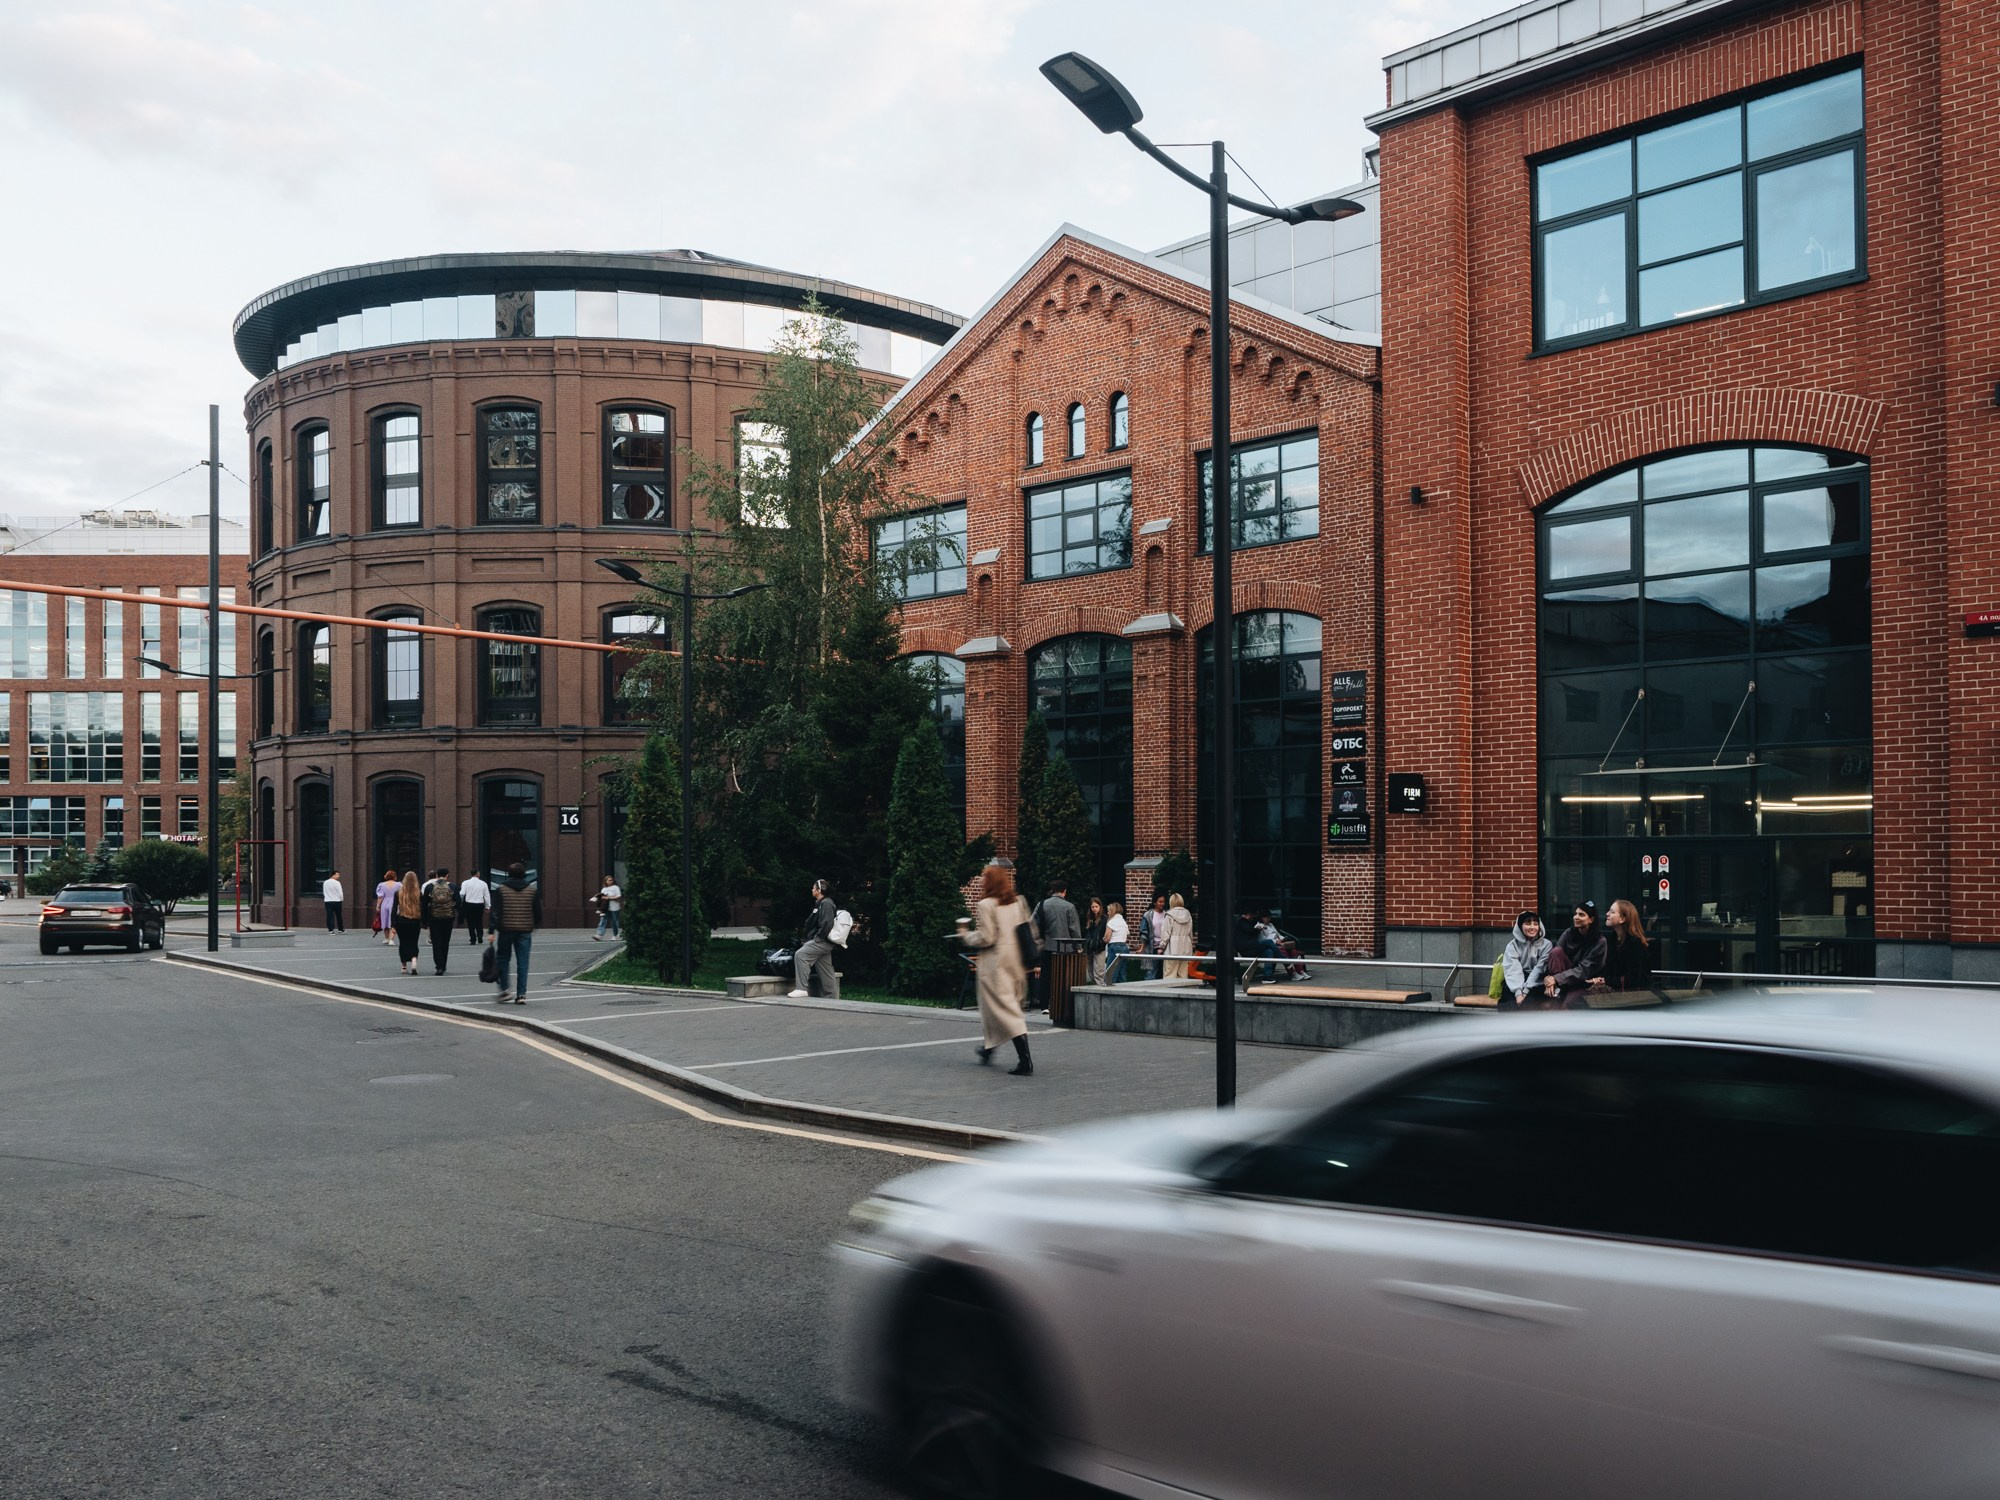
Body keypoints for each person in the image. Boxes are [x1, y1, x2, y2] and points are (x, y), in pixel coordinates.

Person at [959, 862, 1033, 1076]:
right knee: (998, 1009)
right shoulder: (1018, 901)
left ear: (990, 882)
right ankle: (988, 1049)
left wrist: (965, 934)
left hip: (996, 966)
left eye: (984, 877)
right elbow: (1027, 929)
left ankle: (1025, 1061)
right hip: (1015, 962)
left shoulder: (986, 905)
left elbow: (987, 937)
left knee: (1006, 1011)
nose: (982, 880)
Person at [490, 862, 540, 1004]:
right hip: (525, 930)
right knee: (523, 962)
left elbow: (495, 912)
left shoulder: (501, 889)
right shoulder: (531, 890)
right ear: (524, 874)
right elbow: (537, 912)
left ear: (509, 874)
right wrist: (534, 926)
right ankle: (521, 995)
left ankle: (505, 990)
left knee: (503, 959)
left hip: (506, 930)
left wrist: (491, 930)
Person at [1586, 899, 1654, 1001]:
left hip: (1637, 995)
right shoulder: (1612, 939)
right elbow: (1609, 969)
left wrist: (1605, 980)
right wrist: (1601, 979)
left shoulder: (1635, 943)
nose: (1607, 914)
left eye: (1612, 912)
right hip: (1618, 990)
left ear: (1622, 919)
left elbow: (1633, 978)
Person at [1544, 901, 1608, 1005]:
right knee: (1556, 951)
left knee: (1568, 1005)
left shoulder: (1600, 942)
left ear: (1591, 920)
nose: (1576, 917)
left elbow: (1584, 970)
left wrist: (1555, 978)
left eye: (1581, 915)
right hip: (1563, 979)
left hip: (1586, 981)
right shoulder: (1568, 933)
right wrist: (1551, 981)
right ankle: (1556, 989)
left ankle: (1558, 992)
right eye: (1576, 914)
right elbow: (1554, 957)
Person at [1031, 880, 1080, 1010]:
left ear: (1052, 891)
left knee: (1046, 976)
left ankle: (1044, 1005)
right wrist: (1078, 947)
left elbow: (1032, 924)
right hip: (1065, 947)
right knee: (1064, 976)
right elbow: (1074, 929)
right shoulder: (1069, 906)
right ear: (1064, 891)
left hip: (1046, 945)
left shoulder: (1041, 904)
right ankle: (1061, 1004)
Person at [789, 879, 840, 999]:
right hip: (824, 942)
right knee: (825, 969)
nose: (812, 890)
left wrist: (817, 939)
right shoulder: (822, 903)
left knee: (801, 955)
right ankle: (832, 997)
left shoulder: (826, 903)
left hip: (822, 941)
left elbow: (827, 924)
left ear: (819, 890)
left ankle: (801, 989)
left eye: (813, 888)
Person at [1499, 910, 1552, 1009]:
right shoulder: (1512, 945)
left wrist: (1525, 991)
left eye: (1536, 924)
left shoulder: (1546, 945)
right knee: (1508, 1002)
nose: (1532, 927)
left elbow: (1539, 968)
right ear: (1520, 926)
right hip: (1515, 981)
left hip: (1537, 981)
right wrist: (1518, 993)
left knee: (1529, 1003)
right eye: (1528, 924)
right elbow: (1513, 969)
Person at [421, 868, 458, 976]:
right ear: (447, 876)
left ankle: (439, 966)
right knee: (445, 942)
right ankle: (444, 964)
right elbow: (458, 902)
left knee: (436, 942)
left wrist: (425, 920)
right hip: (448, 918)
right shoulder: (453, 887)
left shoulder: (429, 887)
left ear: (436, 875)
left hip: (434, 918)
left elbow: (424, 904)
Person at [391, 871, 424, 976]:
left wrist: (393, 924)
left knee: (403, 943)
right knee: (414, 942)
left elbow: (394, 909)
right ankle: (414, 960)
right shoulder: (419, 893)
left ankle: (404, 966)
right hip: (415, 920)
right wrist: (424, 921)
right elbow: (422, 908)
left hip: (401, 920)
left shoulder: (398, 893)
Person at [1163, 893, 1195, 980]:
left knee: (1169, 974)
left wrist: (1162, 946)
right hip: (1186, 947)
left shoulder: (1169, 915)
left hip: (1172, 948)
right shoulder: (1188, 914)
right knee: (1183, 974)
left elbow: (1165, 934)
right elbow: (1190, 933)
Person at [458, 867, 490, 945]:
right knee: (479, 921)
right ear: (477, 874)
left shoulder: (465, 883)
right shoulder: (483, 883)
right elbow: (487, 896)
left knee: (470, 922)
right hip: (479, 904)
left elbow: (462, 893)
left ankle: (473, 938)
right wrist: (487, 906)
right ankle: (480, 935)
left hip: (469, 904)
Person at [1082, 897, 1107, 985]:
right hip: (1090, 947)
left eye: (1096, 906)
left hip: (1099, 947)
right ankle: (1094, 988)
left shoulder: (1104, 919)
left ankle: (1099, 988)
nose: (1094, 909)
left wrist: (1102, 943)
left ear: (1100, 907)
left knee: (1099, 971)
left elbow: (1105, 934)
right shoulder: (1090, 919)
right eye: (1092, 907)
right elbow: (1088, 933)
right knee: (1090, 970)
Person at [1103, 901, 1129, 984]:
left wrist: (1102, 939)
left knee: (1110, 974)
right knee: (1121, 974)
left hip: (1114, 947)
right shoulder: (1123, 922)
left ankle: (1108, 991)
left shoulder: (1111, 922)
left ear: (1112, 911)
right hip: (1124, 947)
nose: (1107, 913)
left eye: (1108, 911)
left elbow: (1107, 938)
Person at [592, 874, 623, 941]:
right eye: (609, 880)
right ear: (605, 881)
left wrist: (608, 898)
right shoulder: (604, 889)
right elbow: (601, 897)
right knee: (603, 920)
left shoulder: (615, 887)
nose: (610, 881)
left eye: (611, 880)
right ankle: (599, 934)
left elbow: (618, 896)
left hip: (614, 907)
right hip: (605, 908)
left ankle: (615, 935)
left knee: (614, 921)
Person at [374, 869, 398, 945]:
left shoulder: (382, 885)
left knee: (385, 920)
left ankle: (387, 938)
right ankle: (391, 939)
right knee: (393, 921)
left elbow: (380, 897)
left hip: (385, 903)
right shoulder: (399, 885)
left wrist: (378, 906)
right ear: (395, 877)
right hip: (395, 903)